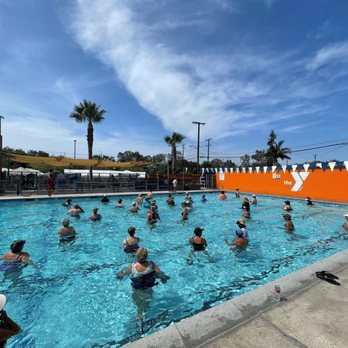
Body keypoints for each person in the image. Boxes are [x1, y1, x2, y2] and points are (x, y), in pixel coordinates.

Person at [117, 248, 170, 322]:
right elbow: (161, 274)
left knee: (139, 306)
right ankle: (145, 317)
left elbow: (122, 275)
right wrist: (164, 279)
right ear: (146, 256)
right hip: (148, 289)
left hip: (136, 290)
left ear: (136, 256)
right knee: (146, 305)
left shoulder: (132, 266)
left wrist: (119, 275)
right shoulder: (151, 264)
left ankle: (139, 317)